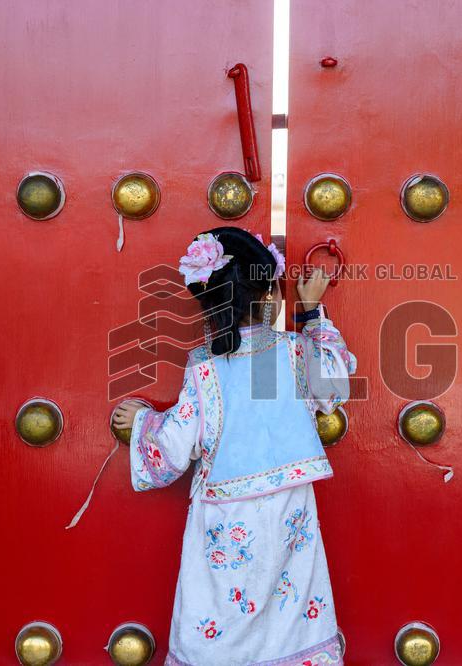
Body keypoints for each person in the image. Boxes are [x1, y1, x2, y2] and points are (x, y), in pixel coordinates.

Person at [112, 227, 356, 666]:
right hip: (290, 513)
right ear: (269, 295)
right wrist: (313, 312)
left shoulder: (204, 369)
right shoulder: (294, 352)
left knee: (218, 613)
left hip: (224, 517)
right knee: (292, 615)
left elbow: (172, 449)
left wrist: (144, 422)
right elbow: (335, 384)